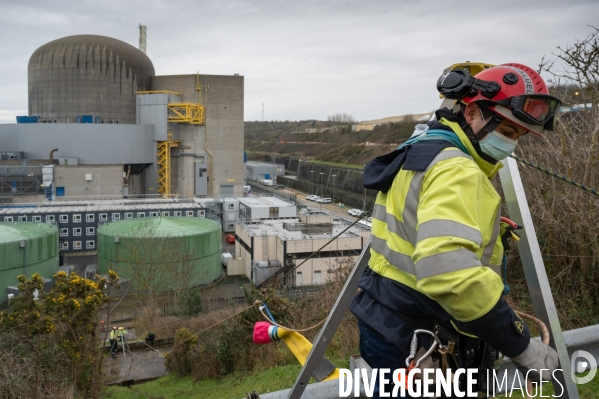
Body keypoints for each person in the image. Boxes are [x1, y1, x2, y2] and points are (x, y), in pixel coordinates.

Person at [350, 63, 561, 397]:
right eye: (506, 131)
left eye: (518, 136)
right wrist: (521, 346)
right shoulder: (457, 170)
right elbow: (450, 274)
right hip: (419, 338)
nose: (511, 145)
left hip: (385, 318)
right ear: (473, 111)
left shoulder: (421, 150)